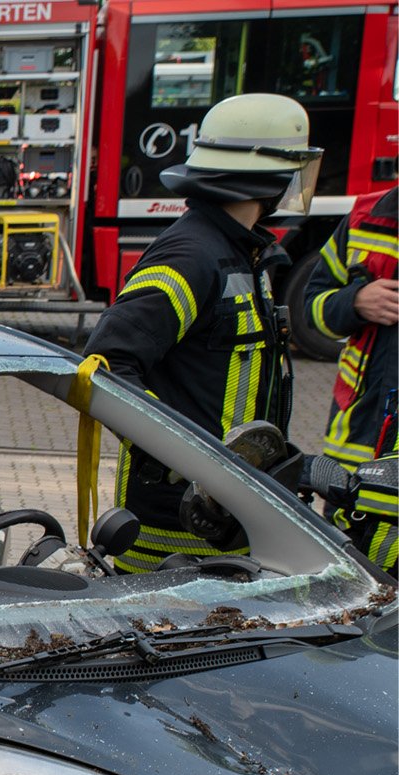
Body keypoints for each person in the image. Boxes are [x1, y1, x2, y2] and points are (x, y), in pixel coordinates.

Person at [82, 93, 320, 572]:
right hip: (172, 536)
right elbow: (106, 365)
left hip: (231, 522)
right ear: (269, 177)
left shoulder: (245, 255)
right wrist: (186, 461)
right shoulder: (191, 256)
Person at [304, 186, 397, 571]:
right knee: (341, 582)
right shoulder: (366, 217)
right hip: (355, 448)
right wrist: (355, 301)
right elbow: (311, 307)